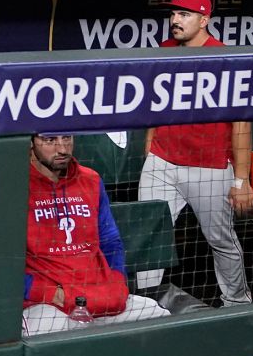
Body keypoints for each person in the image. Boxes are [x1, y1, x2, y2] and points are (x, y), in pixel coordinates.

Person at [139, 0, 253, 307]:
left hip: (209, 167)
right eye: (173, 14)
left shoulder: (225, 58)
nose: (175, 20)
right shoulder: (164, 50)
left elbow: (241, 122)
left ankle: (237, 303)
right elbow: (156, 101)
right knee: (147, 234)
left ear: (205, 20)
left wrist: (241, 180)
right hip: (162, 164)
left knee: (221, 240)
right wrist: (151, 139)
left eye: (184, 14)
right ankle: (143, 302)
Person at [22, 133, 171, 335]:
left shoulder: (90, 179)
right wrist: (51, 294)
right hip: (48, 304)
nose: (62, 149)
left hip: (98, 293)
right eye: (50, 141)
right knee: (48, 335)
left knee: (157, 317)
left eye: (67, 138)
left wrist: (117, 281)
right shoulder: (15, 187)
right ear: (30, 143)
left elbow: (110, 241)